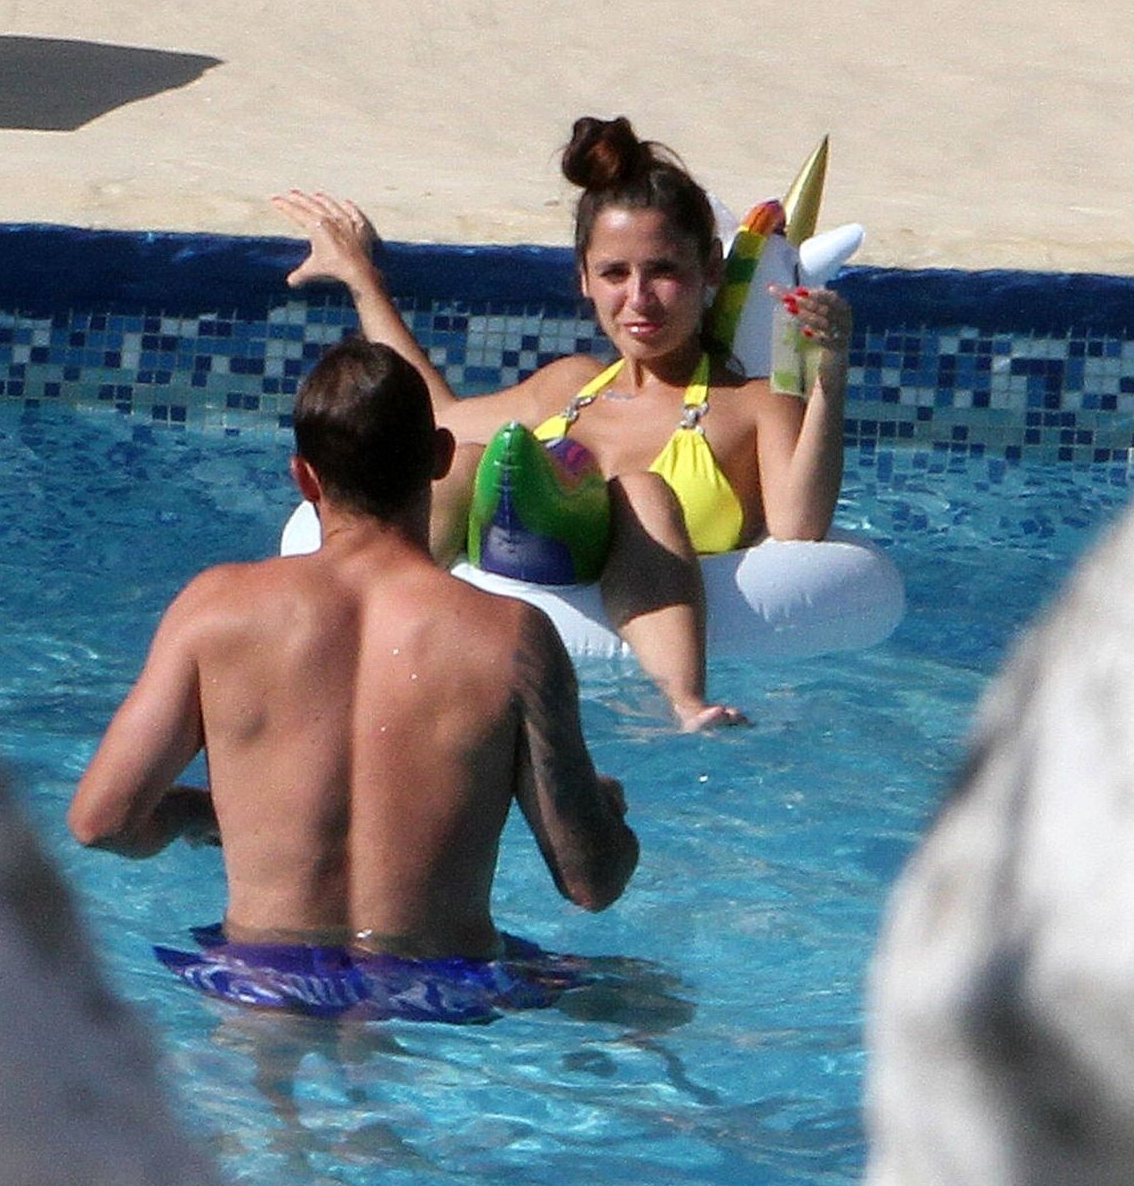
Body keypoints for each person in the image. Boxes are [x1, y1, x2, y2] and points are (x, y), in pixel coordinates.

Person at [67, 338, 637, 1008]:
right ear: (441, 457)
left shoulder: (213, 610)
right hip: (441, 989)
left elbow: (101, 822)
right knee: (645, 995)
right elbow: (591, 883)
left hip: (260, 979)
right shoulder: (510, 637)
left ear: (304, 478)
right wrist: (603, 814)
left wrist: (198, 812)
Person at [270, 116, 853, 731]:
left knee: (640, 492)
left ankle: (684, 702)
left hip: (629, 674)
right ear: (583, 277)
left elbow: (799, 525)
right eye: (615, 273)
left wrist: (832, 371)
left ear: (710, 268)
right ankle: (333, 639)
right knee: (463, 458)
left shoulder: (752, 404)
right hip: (511, 643)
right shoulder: (569, 386)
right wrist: (362, 278)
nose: (639, 299)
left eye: (664, 271)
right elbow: (437, 417)